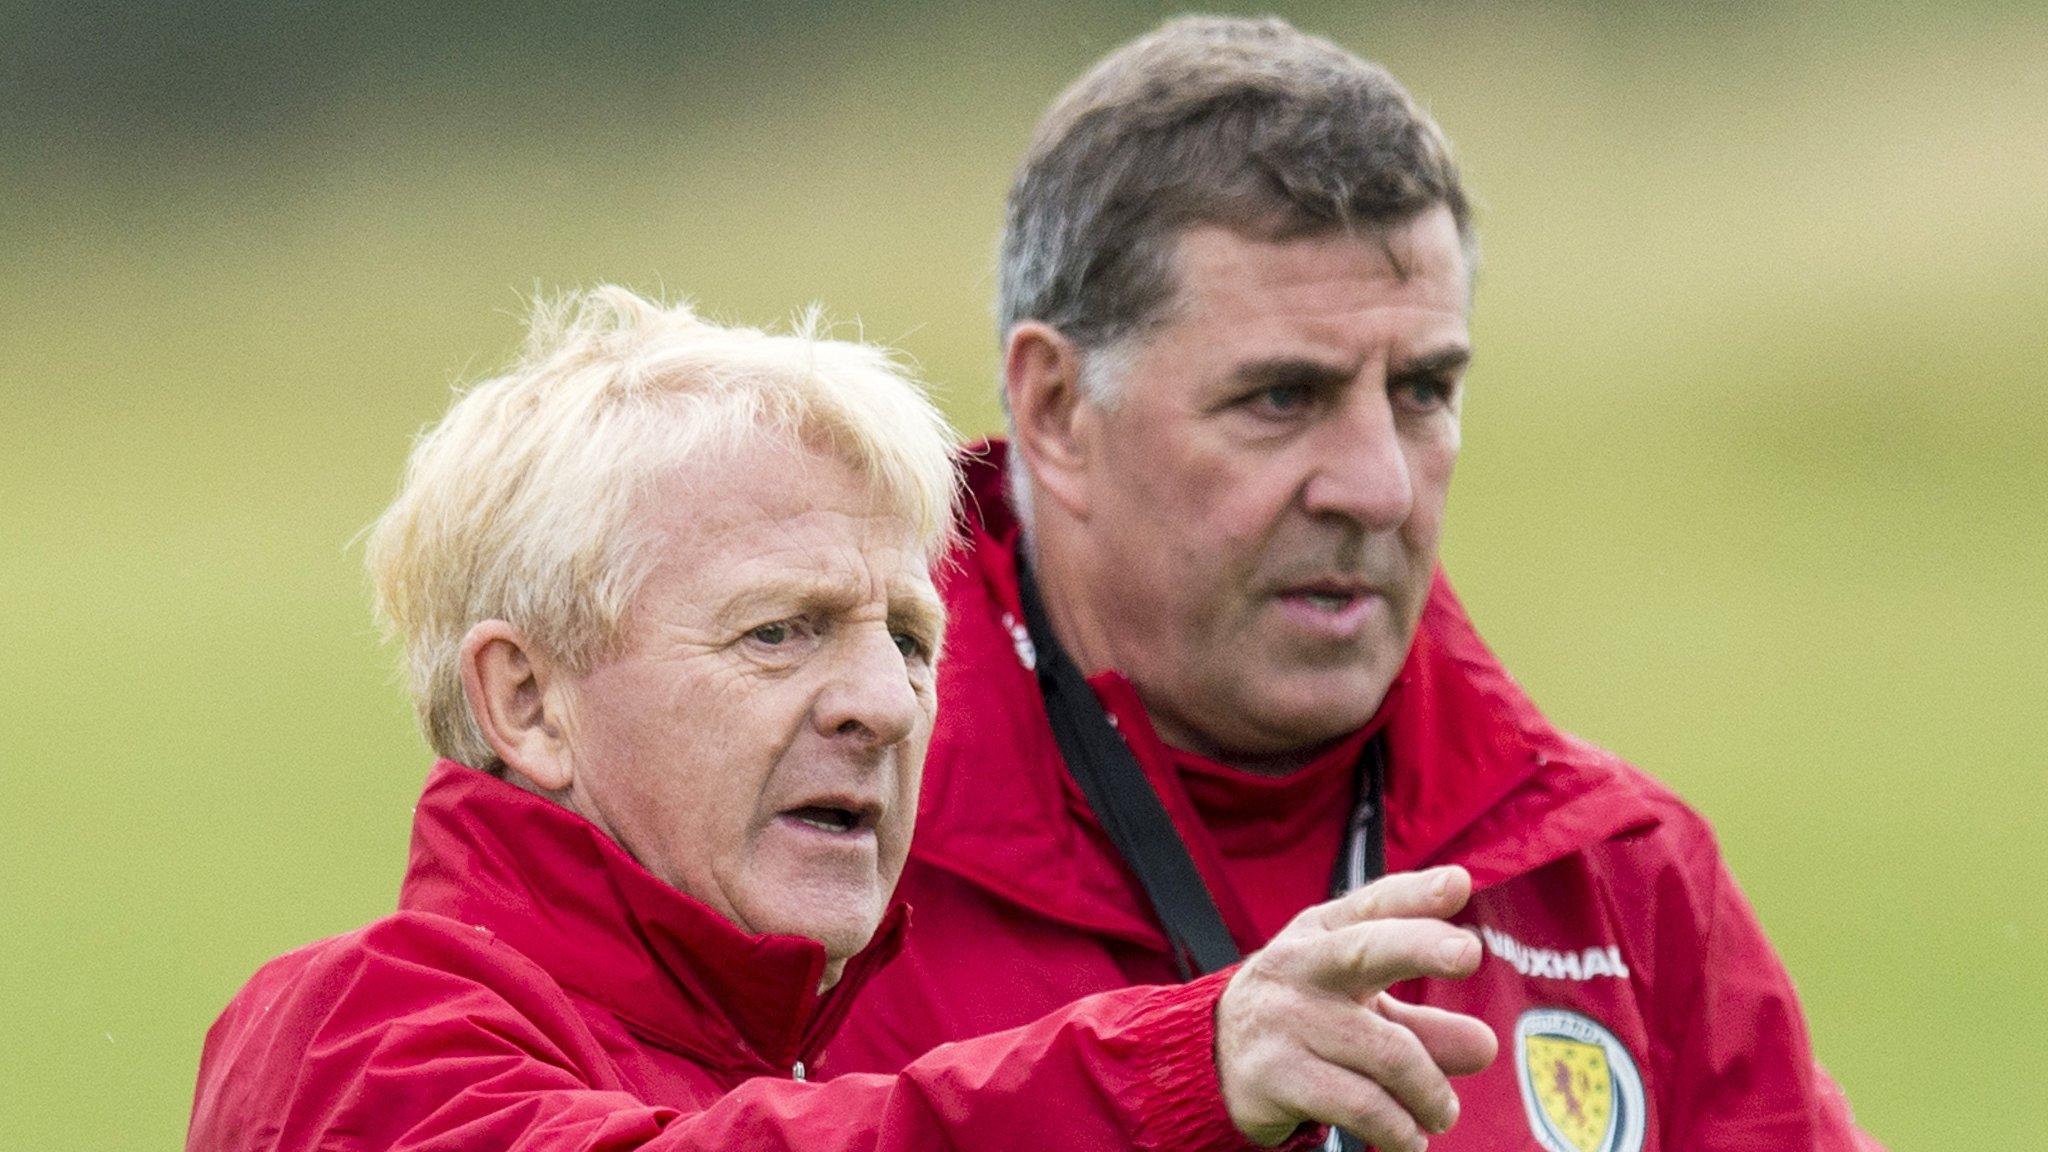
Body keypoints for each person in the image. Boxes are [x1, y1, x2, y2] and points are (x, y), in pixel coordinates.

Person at [822, 16, 1882, 1152]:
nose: (1377, 487)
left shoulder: (1613, 880)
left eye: (1421, 391)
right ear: (1055, 410)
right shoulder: (807, 831)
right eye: (1281, 399)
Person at [186, 286, 1503, 1152]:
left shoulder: (834, 1080)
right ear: (526, 702)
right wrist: (1178, 1063)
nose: (885, 703)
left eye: (913, 640)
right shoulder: (352, 1035)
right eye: (782, 632)